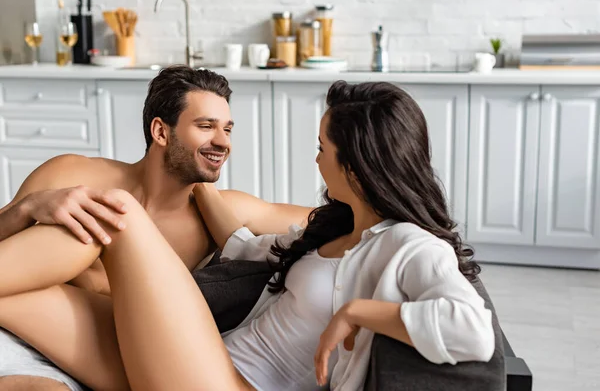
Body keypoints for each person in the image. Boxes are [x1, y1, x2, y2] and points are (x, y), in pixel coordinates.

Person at [0, 80, 495, 390]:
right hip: (199, 358)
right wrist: (200, 185)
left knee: (114, 213)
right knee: (21, 294)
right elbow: (241, 245)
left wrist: (357, 312)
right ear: (161, 131)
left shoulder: (410, 245)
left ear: (358, 166)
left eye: (322, 147)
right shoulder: (336, 232)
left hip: (228, 384)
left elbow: (472, 331)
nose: (316, 158)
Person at [0, 65, 310, 391]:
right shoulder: (72, 175)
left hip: (117, 356)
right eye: (206, 126)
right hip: (26, 329)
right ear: (161, 132)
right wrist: (25, 208)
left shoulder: (222, 210)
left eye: (228, 130)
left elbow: (333, 218)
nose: (222, 142)